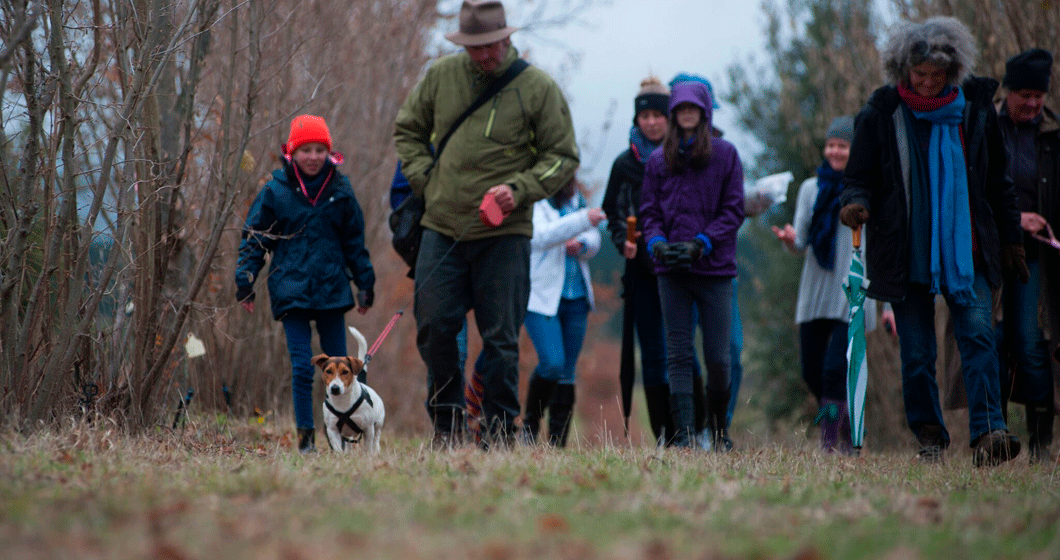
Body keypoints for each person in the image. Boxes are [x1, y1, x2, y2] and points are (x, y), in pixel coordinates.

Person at [839, 16, 1027, 466]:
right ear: (903, 70)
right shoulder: (881, 112)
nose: (925, 84)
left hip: (970, 248)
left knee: (980, 338)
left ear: (953, 71)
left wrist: (1011, 240)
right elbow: (859, 177)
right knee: (918, 353)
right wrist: (856, 204)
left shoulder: (976, 110)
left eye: (935, 76)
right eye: (918, 75)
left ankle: (989, 434)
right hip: (906, 252)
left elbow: (998, 183)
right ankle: (930, 439)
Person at [393, 0, 579, 447]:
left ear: (507, 38)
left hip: (505, 233)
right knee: (435, 326)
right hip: (443, 226)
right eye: (475, 48)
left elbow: (563, 157)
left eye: (491, 46)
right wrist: (427, 181)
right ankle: (447, 423)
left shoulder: (537, 88)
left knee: (500, 340)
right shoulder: (441, 77)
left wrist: (518, 189)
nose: (484, 56)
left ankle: (498, 431)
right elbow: (408, 131)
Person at [235, 114, 375, 453]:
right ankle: (305, 441)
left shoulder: (340, 191)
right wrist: (245, 278)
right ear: (292, 153)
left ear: (329, 153)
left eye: (319, 150)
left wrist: (364, 283)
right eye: (305, 150)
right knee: (301, 369)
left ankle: (345, 434)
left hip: (331, 290)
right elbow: (255, 238)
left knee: (342, 368)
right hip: (291, 290)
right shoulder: (276, 190)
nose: (313, 157)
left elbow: (354, 242)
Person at [639, 80, 745, 450]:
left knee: (718, 357)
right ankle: (683, 435)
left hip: (714, 270)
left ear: (704, 112)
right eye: (680, 108)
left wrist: (704, 243)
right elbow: (648, 211)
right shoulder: (657, 161)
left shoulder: (725, 155)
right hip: (671, 272)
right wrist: (656, 244)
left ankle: (718, 432)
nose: (686, 114)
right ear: (674, 113)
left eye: (693, 108)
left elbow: (734, 209)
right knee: (679, 354)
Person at [773, 116, 879, 453]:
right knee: (811, 371)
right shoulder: (810, 188)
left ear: (854, 150)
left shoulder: (865, 189)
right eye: (831, 144)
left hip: (851, 292)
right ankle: (842, 421)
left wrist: (886, 306)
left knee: (835, 369)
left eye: (842, 146)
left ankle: (830, 441)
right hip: (815, 292)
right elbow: (801, 240)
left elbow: (875, 249)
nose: (835, 151)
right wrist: (789, 239)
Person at [601, 76, 680, 445]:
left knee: (681, 351)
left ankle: (690, 430)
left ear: (670, 118)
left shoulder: (684, 159)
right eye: (644, 115)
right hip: (642, 273)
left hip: (681, 268)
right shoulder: (623, 165)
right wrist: (623, 242)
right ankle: (664, 433)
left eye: (657, 115)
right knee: (651, 353)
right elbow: (612, 213)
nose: (651, 122)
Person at [994, 48, 1059, 463]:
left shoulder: (1053, 136)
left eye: (1039, 95)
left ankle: (1040, 445)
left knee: (1031, 343)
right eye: (1024, 95)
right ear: (1008, 91)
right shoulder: (986, 127)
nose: (1032, 104)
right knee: (992, 343)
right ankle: (994, 436)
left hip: (1037, 257)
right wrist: (1016, 219)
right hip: (992, 250)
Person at [522, 177, 604, 447]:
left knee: (568, 372)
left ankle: (557, 443)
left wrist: (582, 244)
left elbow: (594, 237)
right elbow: (543, 236)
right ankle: (530, 426)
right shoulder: (534, 202)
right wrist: (582, 221)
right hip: (543, 297)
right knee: (552, 363)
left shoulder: (576, 200)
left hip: (577, 296)